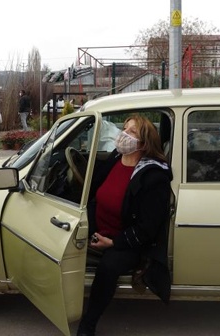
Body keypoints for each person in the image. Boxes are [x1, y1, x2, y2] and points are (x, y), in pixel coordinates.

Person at [77, 114, 173, 336]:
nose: (123, 135)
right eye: (124, 128)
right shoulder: (115, 159)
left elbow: (147, 228)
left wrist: (113, 242)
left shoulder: (153, 176)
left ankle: (87, 324)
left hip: (126, 240)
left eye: (132, 132)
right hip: (100, 229)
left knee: (107, 269)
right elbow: (95, 194)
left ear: (144, 143)